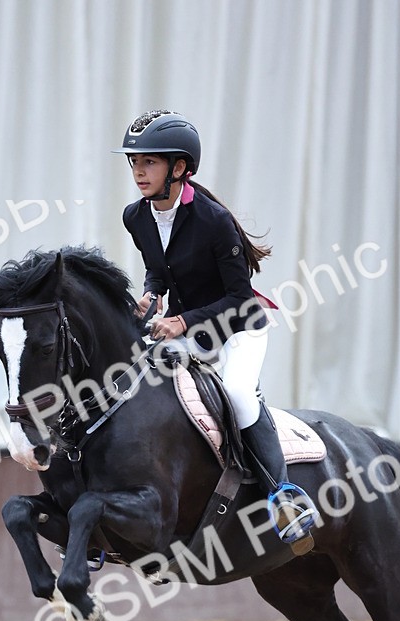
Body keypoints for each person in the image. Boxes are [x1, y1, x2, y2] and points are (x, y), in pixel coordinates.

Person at [113, 109, 319, 547]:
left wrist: (183, 320)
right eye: (134, 162)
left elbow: (240, 298)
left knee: (239, 395)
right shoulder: (136, 216)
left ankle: (283, 495)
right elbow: (158, 271)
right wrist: (151, 296)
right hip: (190, 330)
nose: (138, 171)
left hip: (239, 327)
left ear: (180, 167)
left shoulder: (212, 220)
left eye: (148, 162)